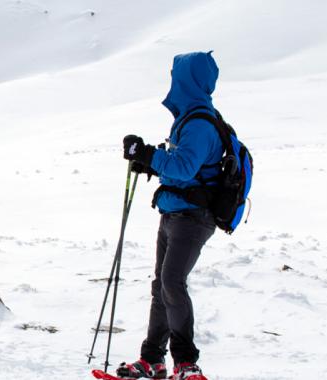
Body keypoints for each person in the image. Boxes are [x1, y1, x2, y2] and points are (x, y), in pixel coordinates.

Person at [118, 52, 223, 380]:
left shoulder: (200, 124)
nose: (171, 80)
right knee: (161, 286)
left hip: (193, 218)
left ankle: (186, 364)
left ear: (187, 80)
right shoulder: (189, 118)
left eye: (176, 75)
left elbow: (184, 166)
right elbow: (182, 170)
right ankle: (152, 360)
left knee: (171, 283)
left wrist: (149, 154)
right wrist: (148, 161)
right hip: (175, 213)